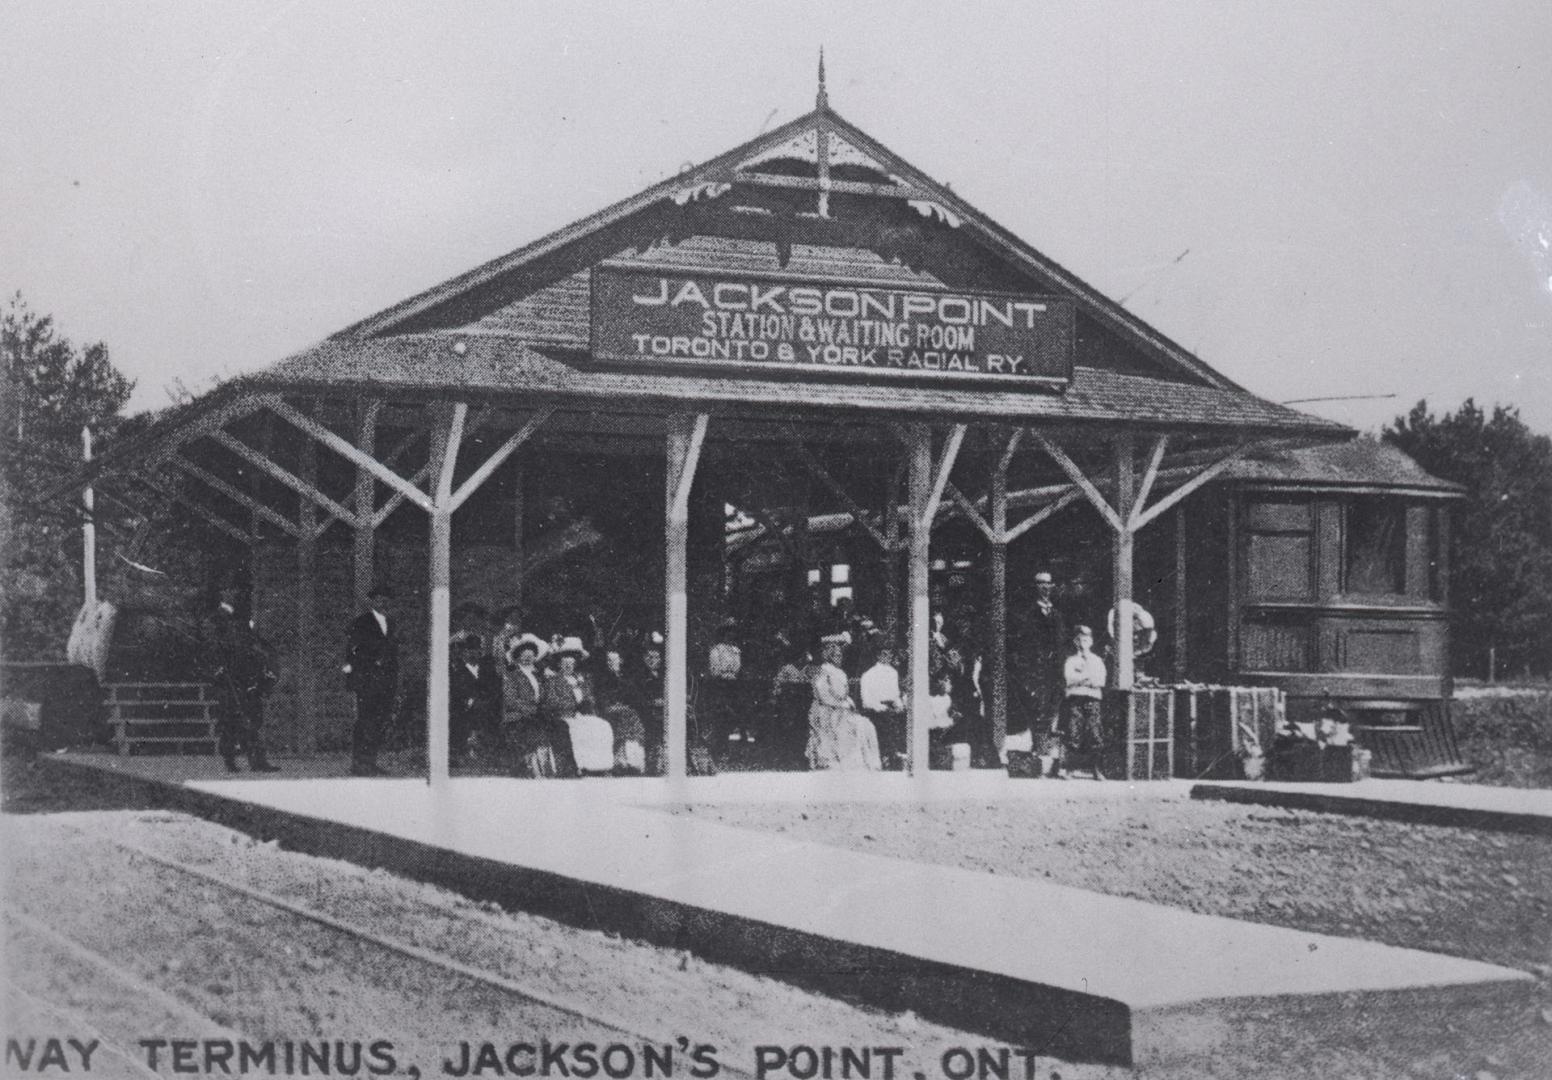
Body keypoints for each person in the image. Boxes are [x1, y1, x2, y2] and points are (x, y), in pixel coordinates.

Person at [209, 585, 279, 773]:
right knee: (232, 722)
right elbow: (216, 650)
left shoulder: (240, 623)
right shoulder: (219, 621)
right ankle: (231, 760)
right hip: (230, 681)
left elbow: (251, 647)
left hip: (246, 678)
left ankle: (257, 761)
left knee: (252, 721)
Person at [343, 585, 398, 777]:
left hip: (385, 682)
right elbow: (353, 651)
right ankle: (359, 763)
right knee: (365, 721)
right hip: (367, 681)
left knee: (379, 722)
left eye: (387, 599)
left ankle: (371, 761)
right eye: (379, 599)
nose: (383, 602)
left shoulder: (391, 624)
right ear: (372, 601)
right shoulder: (361, 623)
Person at [805, 633, 881, 771]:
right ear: (829, 655)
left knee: (866, 725)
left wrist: (847, 702)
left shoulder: (839, 672)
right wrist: (842, 704)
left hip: (840, 710)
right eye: (835, 655)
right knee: (853, 725)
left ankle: (864, 762)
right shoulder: (824, 671)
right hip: (828, 711)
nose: (839, 658)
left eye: (840, 655)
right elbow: (824, 695)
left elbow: (843, 695)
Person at [1014, 569, 1068, 757]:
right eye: (1041, 583)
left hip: (1055, 672)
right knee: (1036, 708)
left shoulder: (1058, 615)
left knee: (1051, 708)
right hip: (1035, 672)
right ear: (1035, 586)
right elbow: (1023, 645)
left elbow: (1062, 643)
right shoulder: (1028, 614)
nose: (1045, 587)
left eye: (1048, 583)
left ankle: (1044, 747)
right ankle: (1039, 747)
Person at [540, 637, 614, 775]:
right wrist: (573, 707)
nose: (568, 665)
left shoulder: (582, 680)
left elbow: (590, 699)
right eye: (565, 661)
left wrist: (587, 706)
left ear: (576, 663)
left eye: (571, 661)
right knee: (577, 729)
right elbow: (551, 702)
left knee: (602, 725)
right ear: (559, 663)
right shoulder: (553, 681)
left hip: (584, 716)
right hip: (564, 716)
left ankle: (599, 766)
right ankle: (580, 765)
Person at [502, 633, 555, 776]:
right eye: (524, 654)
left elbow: (545, 697)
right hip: (517, 717)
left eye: (531, 654)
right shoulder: (511, 676)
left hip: (536, 715)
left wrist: (544, 708)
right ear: (518, 656)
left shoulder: (539, 675)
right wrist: (532, 710)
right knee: (532, 727)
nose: (528, 657)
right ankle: (530, 766)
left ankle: (547, 766)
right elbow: (511, 700)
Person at [1059, 625, 1108, 780]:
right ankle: (1069, 769)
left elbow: (1100, 680)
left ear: (1091, 641)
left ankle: (1096, 770)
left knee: (1095, 733)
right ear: (1075, 642)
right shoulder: (1071, 660)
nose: (1083, 643)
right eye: (1080, 640)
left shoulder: (1098, 660)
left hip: (1093, 700)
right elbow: (1069, 679)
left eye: (1086, 640)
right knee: (1073, 732)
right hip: (1075, 699)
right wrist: (1087, 678)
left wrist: (1081, 678)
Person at [449, 631, 502, 769]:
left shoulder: (487, 670)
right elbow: (455, 691)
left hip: (486, 707)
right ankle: (467, 748)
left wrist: (487, 699)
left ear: (481, 652)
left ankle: (485, 748)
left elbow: (495, 688)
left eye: (476, 650)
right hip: (464, 708)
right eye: (469, 650)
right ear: (463, 652)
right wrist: (468, 700)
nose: (473, 653)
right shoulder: (457, 671)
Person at [594, 647, 647, 773]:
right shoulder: (603, 680)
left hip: (625, 711)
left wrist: (626, 705)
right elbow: (602, 700)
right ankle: (621, 760)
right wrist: (614, 706)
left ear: (620, 661)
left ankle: (633, 759)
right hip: (609, 711)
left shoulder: (626, 680)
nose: (611, 663)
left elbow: (635, 698)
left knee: (631, 715)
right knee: (626, 716)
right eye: (609, 661)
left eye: (614, 660)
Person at [858, 647, 905, 769]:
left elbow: (895, 695)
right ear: (878, 655)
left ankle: (898, 757)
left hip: (891, 709)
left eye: (889, 654)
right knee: (886, 722)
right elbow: (866, 701)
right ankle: (886, 758)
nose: (887, 657)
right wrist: (882, 708)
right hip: (875, 710)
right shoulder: (869, 674)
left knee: (905, 718)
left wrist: (899, 705)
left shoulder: (893, 672)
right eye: (884, 654)